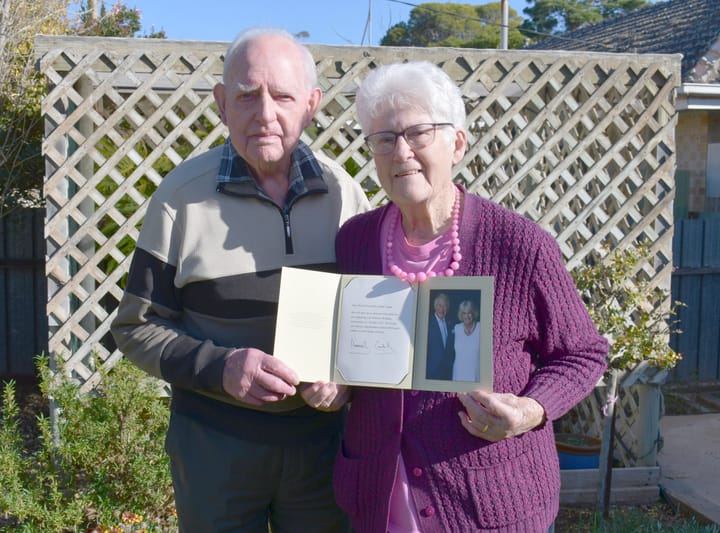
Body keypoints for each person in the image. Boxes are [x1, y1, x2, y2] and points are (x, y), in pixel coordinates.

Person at [111, 27, 369, 533]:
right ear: (222, 103)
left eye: (283, 95)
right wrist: (221, 367)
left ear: (312, 103)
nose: (265, 113)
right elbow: (135, 328)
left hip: (323, 448)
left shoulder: (346, 195)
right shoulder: (180, 197)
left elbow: (365, 321)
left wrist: (346, 381)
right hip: (214, 448)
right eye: (248, 95)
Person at [332, 61, 609, 532]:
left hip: (489, 502)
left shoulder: (519, 245)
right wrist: (334, 386)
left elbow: (583, 353)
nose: (401, 153)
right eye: (383, 139)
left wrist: (529, 410)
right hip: (380, 500)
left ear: (457, 142)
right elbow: (354, 356)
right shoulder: (354, 241)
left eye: (418, 133)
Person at [426, 292, 455, 380]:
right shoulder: (427, 323)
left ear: (448, 307)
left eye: (445, 306)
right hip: (431, 372)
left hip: (447, 372)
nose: (442, 309)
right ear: (435, 306)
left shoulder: (451, 323)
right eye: (439, 305)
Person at [452, 299, 480, 382]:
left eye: (469, 313)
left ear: (474, 313)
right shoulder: (456, 328)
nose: (467, 316)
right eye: (464, 313)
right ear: (461, 314)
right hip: (458, 374)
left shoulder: (480, 327)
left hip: (475, 374)